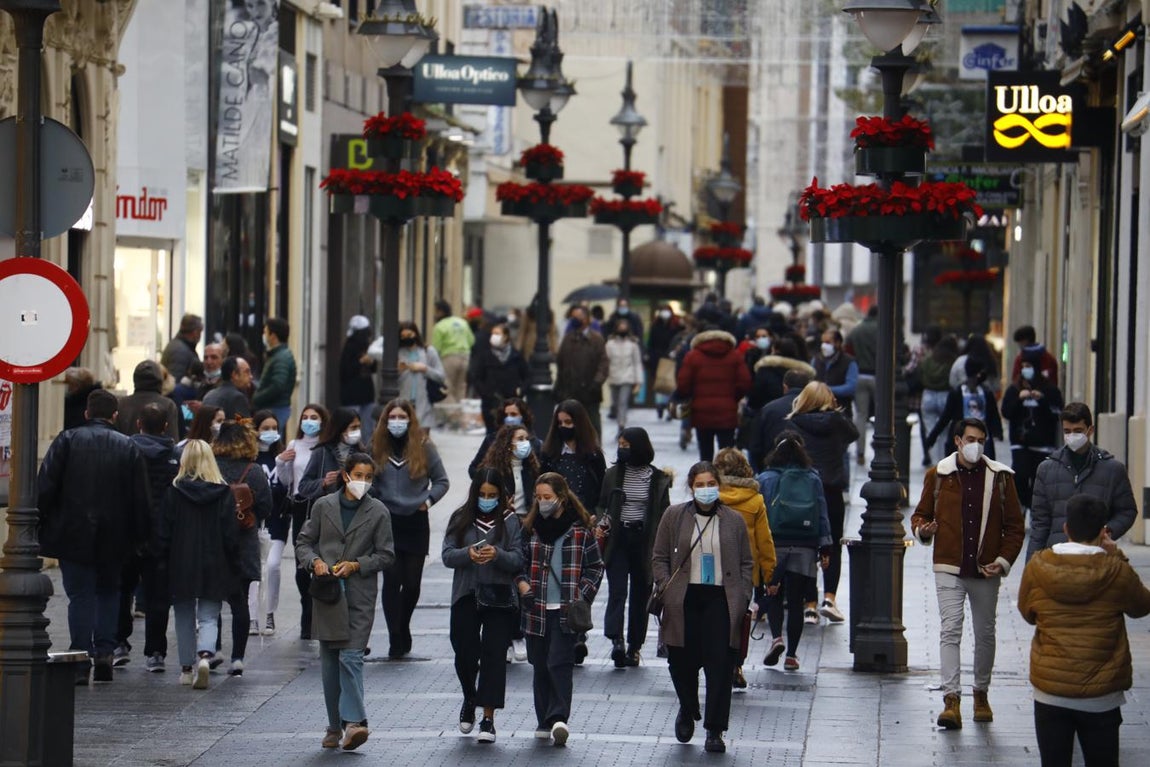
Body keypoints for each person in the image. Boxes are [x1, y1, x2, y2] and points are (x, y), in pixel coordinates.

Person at [910, 417, 1025, 730]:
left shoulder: (1001, 478)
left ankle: (981, 693)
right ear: (958, 441)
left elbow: (1015, 527)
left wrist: (1003, 560)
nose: (976, 445)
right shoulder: (939, 475)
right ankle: (951, 700)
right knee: (951, 629)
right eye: (970, 439)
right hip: (949, 565)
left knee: (985, 632)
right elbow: (920, 514)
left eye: (981, 440)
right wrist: (923, 530)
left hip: (986, 569)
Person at [1018, 494, 1150, 766]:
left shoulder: (1038, 566)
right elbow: (1142, 606)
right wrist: (1118, 555)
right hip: (1101, 695)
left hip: (1051, 690)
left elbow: (1027, 612)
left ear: (1066, 528)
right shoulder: (1116, 571)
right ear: (1103, 531)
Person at [37, 389, 150, 683]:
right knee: (109, 593)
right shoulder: (128, 446)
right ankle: (104, 653)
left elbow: (46, 486)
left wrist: (40, 522)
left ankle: (80, 655)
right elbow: (140, 498)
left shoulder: (67, 440)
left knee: (79, 596)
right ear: (115, 415)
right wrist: (141, 536)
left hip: (72, 533)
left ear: (87, 413)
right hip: (115, 535)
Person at [295, 452, 395, 751]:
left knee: (351, 657)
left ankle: (355, 723)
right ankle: (333, 726)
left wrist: (357, 564)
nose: (363, 481)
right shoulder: (323, 505)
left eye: (368, 477)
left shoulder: (378, 511)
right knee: (329, 664)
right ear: (345, 475)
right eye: (358, 475)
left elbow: (386, 555)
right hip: (328, 593)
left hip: (360, 595)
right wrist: (315, 562)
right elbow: (304, 542)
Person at [652, 461, 753, 754]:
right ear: (691, 487)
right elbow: (659, 556)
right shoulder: (674, 516)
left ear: (718, 485)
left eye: (711, 484)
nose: (706, 489)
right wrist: (665, 586)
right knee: (680, 662)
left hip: (721, 599)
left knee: (720, 665)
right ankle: (688, 707)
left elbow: (746, 562)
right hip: (683, 597)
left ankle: (715, 730)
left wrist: (743, 595)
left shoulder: (733, 520)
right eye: (700, 485)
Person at [514, 472, 605, 747]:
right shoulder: (530, 530)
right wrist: (523, 585)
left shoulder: (580, 531)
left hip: (566, 610)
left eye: (548, 497)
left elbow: (595, 567)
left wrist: (582, 595)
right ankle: (544, 719)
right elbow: (518, 563)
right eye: (538, 497)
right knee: (540, 664)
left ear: (562, 498)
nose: (543, 502)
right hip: (536, 608)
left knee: (559, 663)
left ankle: (558, 718)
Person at [442, 470, 525, 743]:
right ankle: (470, 696)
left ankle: (488, 718)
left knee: (494, 655)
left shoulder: (510, 521)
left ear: (501, 496)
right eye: (482, 494)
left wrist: (497, 554)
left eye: (492, 495)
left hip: (499, 595)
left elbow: (518, 558)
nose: (487, 499)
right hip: (466, 593)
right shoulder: (460, 518)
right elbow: (447, 555)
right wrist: (468, 554)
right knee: (464, 650)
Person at [156, 439, 240, 690]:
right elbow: (230, 536)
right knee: (209, 616)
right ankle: (205, 655)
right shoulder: (223, 493)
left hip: (181, 561)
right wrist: (233, 563)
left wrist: (161, 560)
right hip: (214, 561)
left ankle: (185, 669)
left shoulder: (173, 492)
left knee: (183, 615)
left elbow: (164, 533)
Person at [370, 399, 450, 658]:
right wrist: (375, 500)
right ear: (385, 421)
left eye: (401, 417)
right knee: (392, 579)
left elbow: (442, 480)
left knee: (412, 583)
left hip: (416, 520)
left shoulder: (424, 447)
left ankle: (403, 624)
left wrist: (427, 502)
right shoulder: (375, 447)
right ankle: (395, 635)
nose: (396, 422)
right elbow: (367, 480)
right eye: (392, 417)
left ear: (410, 420)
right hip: (387, 520)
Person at [595, 427, 672, 669]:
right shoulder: (613, 474)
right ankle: (616, 639)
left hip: (644, 541)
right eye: (620, 445)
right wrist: (602, 522)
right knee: (617, 590)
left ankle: (634, 646)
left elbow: (664, 512)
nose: (621, 449)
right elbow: (602, 504)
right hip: (618, 538)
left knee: (641, 593)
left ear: (639, 447)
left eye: (626, 445)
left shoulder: (657, 479)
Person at [783, 382, 858, 625]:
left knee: (807, 546)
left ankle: (810, 605)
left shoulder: (794, 423)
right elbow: (854, 434)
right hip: (832, 490)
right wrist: (837, 411)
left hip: (804, 492)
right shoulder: (837, 422)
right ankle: (829, 599)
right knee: (833, 544)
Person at [755, 433, 832, 672]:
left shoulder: (765, 478)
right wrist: (825, 546)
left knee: (774, 594)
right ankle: (791, 655)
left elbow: (759, 514)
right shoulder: (813, 478)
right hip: (804, 545)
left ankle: (777, 638)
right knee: (797, 601)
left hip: (774, 544)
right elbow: (822, 514)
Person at [1028, 402, 1139, 561]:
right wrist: (1030, 566)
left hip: (1097, 557)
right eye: (1067, 431)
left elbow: (1127, 511)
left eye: (1078, 431)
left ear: (1090, 430)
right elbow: (1040, 524)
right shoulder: (1046, 470)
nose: (1072, 435)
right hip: (1057, 559)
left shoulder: (1113, 469)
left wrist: (1106, 531)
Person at [212, 421, 273, 675]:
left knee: (212, 600)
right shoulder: (254, 471)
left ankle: (213, 649)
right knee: (239, 601)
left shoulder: (211, 466)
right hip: (244, 541)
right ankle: (237, 658)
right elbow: (266, 507)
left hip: (214, 540)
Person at [476, 422, 541, 663]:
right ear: (507, 443)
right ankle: (507, 637)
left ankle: (517, 634)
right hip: (505, 526)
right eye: (519, 439)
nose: (524, 444)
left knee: (523, 579)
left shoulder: (532, 468)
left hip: (528, 526)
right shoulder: (496, 470)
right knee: (509, 580)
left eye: (526, 439)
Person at [713, 448, 776, 689]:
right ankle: (735, 666)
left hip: (712, 566)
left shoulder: (711, 497)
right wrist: (770, 574)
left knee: (713, 617)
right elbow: (764, 540)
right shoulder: (755, 500)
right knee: (737, 620)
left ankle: (714, 662)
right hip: (743, 572)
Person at [126, 404, 181, 673]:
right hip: (163, 533)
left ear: (139, 424)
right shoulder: (175, 456)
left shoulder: (126, 450)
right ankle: (156, 651)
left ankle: (118, 643)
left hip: (129, 532)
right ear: (166, 427)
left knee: (122, 590)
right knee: (158, 596)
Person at [276, 403, 329, 639]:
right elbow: (287, 481)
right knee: (301, 562)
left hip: (322, 504)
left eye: (314, 417)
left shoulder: (326, 447)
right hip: (300, 505)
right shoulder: (294, 445)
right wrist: (281, 462)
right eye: (305, 417)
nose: (309, 421)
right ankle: (306, 609)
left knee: (322, 557)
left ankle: (319, 612)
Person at [1000, 349, 1064, 513]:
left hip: (1043, 445)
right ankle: (1024, 505)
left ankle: (1035, 508)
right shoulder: (1014, 389)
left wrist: (1042, 400)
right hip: (1020, 443)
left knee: (1039, 480)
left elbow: (1057, 413)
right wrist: (1019, 400)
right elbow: (1006, 412)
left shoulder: (1049, 390)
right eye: (1023, 366)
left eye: (1028, 366)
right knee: (1020, 476)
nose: (1025, 370)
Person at [676, 328, 752, 461]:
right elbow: (745, 382)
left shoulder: (693, 356)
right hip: (727, 411)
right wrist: (733, 398)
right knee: (727, 454)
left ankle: (706, 472)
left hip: (701, 411)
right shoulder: (735, 356)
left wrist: (692, 397)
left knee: (705, 452)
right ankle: (725, 473)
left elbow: (683, 383)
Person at [251, 409, 289, 636]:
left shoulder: (282, 457)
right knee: (254, 568)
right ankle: (252, 616)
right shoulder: (249, 457)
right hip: (254, 520)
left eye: (274, 428)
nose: (271, 432)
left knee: (273, 565)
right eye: (265, 428)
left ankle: (269, 612)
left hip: (278, 521)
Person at [926, 357, 1004, 461]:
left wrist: (998, 432)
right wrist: (932, 438)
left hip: (981, 440)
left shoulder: (985, 393)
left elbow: (993, 414)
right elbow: (946, 417)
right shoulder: (958, 393)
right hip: (964, 441)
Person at [554, 305, 610, 438]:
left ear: (586, 319)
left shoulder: (596, 339)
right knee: (570, 424)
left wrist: (596, 382)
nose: (574, 320)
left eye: (577, 317)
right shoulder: (568, 339)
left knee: (592, 424)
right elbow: (561, 363)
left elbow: (603, 364)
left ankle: (595, 449)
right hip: (570, 391)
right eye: (572, 317)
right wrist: (559, 387)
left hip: (590, 391)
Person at [298, 407, 369, 503]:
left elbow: (373, 488)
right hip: (328, 508)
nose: (357, 431)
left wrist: (360, 483)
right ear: (341, 429)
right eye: (353, 428)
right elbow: (303, 487)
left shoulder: (363, 453)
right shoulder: (321, 452)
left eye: (358, 427)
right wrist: (324, 482)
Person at [469, 322, 529, 434]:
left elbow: (526, 376)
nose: (493, 336)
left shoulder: (516, 356)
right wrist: (485, 393)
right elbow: (476, 377)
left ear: (505, 336)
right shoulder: (485, 355)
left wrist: (520, 391)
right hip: (490, 403)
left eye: (497, 334)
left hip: (511, 402)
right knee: (492, 434)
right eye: (492, 333)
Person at [749, 368, 813, 470]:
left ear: (785, 387)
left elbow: (755, 447)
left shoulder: (768, 409)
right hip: (809, 470)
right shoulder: (816, 409)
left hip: (773, 469)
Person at [396, 321, 447, 432]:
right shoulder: (398, 353)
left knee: (423, 438)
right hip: (403, 403)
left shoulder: (428, 351)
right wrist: (399, 370)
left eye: (409, 335)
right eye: (403, 336)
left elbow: (441, 376)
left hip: (424, 403)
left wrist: (425, 369)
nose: (406, 338)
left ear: (415, 334)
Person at [918, 334, 959, 466]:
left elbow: (920, 374)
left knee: (931, 430)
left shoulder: (928, 360)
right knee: (945, 431)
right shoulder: (952, 361)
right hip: (945, 396)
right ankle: (943, 460)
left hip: (928, 395)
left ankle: (935, 460)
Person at [844, 306, 878, 464]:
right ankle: (882, 448)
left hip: (859, 374)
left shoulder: (856, 330)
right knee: (884, 415)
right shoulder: (883, 329)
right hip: (879, 377)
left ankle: (860, 452)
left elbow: (847, 350)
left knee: (861, 415)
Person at [115, 360, 180, 441]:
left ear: (135, 379)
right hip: (159, 449)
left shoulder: (122, 404)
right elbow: (173, 439)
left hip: (126, 448)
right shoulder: (168, 405)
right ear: (159, 380)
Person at [338, 315, 378, 446]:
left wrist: (371, 362)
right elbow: (345, 371)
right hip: (352, 396)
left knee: (367, 428)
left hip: (367, 394)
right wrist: (361, 361)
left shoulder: (367, 347)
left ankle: (366, 450)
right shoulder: (349, 347)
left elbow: (373, 368)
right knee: (351, 428)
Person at [252, 317, 297, 429]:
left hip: (276, 408)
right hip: (276, 407)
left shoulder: (281, 358)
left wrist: (257, 398)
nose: (263, 335)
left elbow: (277, 385)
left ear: (273, 335)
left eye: (265, 332)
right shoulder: (277, 355)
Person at [604, 316, 644, 432]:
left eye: (624, 327)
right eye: (620, 327)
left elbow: (637, 362)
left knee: (623, 402)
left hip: (627, 377)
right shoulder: (610, 344)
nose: (622, 329)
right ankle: (619, 420)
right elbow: (606, 361)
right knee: (616, 403)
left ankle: (621, 425)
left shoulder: (633, 344)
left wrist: (638, 381)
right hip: (613, 376)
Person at [431, 300, 475, 403]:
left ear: (440, 311)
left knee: (447, 386)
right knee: (461, 386)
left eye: (435, 311)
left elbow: (436, 348)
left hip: (449, 357)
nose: (434, 314)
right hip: (465, 357)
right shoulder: (463, 322)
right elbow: (471, 341)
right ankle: (459, 409)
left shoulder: (440, 326)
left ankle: (451, 410)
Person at [812, 329, 858, 423]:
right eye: (823, 342)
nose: (824, 345)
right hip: (818, 412)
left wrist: (827, 389)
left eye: (828, 342)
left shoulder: (849, 362)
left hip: (842, 411)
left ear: (838, 343)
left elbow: (851, 387)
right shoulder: (816, 359)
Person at [646, 305, 680, 420]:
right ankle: (660, 405)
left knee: (671, 385)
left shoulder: (675, 327)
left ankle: (669, 407)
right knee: (660, 385)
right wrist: (650, 356)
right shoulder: (655, 326)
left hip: (671, 359)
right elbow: (651, 343)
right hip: (657, 359)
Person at [202, 356, 253, 420]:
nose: (251, 376)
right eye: (247, 372)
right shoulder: (237, 398)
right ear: (235, 375)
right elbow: (245, 425)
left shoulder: (209, 395)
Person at [160, 313, 203, 383]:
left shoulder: (181, 347)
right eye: (200, 331)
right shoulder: (180, 351)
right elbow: (175, 381)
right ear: (195, 332)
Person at [64, 367, 103, 431]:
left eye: (69, 384)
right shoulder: (97, 400)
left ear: (76, 385)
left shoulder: (76, 404)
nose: (68, 388)